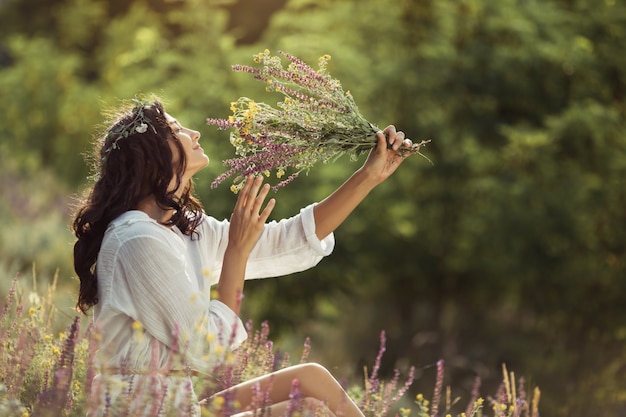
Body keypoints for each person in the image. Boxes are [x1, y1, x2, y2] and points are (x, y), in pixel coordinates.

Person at [72, 98, 415, 417]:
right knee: (310, 398)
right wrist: (236, 251)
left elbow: (289, 241)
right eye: (176, 130)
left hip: (178, 402)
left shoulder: (183, 230)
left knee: (312, 384)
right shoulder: (137, 239)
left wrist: (368, 178)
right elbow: (207, 349)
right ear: (149, 158)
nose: (194, 133)